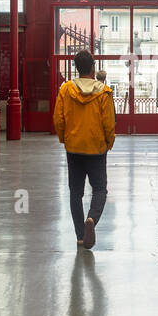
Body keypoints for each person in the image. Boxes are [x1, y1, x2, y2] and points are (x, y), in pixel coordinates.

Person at [53, 50, 116, 249]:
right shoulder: (103, 92)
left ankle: (81, 236)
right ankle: (92, 219)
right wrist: (109, 142)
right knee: (99, 189)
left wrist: (65, 138)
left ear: (76, 68)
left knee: (75, 193)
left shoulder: (66, 89)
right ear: (92, 68)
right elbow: (109, 122)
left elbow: (58, 118)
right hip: (96, 148)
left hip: (74, 148)